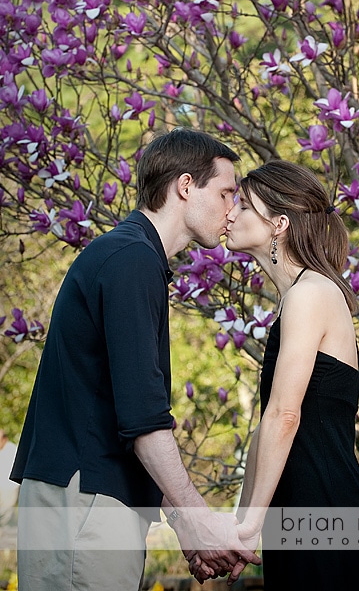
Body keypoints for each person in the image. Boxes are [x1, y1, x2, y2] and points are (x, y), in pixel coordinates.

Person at [10, 128, 260, 591]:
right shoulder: (130, 260)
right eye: (227, 193)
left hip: (92, 501)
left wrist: (187, 528)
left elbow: (127, 411)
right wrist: (196, 519)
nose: (234, 210)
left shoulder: (131, 256)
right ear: (185, 187)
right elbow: (144, 419)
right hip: (84, 500)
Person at [219, 160, 359, 589]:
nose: (229, 213)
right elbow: (266, 428)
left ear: (278, 223)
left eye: (242, 206)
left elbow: (285, 416)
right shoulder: (298, 297)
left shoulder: (311, 293)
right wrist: (242, 526)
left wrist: (249, 525)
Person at [0, 429, 19, 526]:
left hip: (9, 488)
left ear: (4, 439)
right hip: (2, 488)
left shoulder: (11, 450)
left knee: (5, 515)